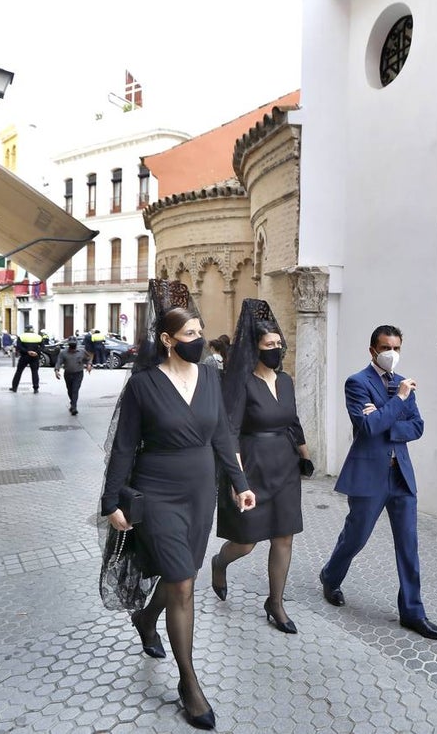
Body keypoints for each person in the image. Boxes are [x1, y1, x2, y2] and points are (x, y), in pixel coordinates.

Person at [101, 280, 256, 730]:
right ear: (168, 340)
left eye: (200, 333)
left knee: (180, 576)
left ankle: (147, 618)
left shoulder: (210, 378)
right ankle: (189, 684)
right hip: (157, 492)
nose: (199, 341)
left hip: (200, 493)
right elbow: (124, 448)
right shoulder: (143, 385)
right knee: (183, 583)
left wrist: (239, 483)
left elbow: (223, 435)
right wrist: (111, 501)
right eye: (190, 335)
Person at [319, 325, 437, 640]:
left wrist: (386, 419)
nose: (392, 353)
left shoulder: (404, 383)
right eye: (386, 347)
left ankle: (413, 612)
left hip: (400, 475)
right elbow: (367, 427)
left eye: (396, 348)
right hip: (369, 475)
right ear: (373, 350)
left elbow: (417, 427)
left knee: (408, 545)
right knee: (356, 537)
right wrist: (397, 402)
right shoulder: (357, 383)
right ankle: (330, 576)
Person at [211, 303, 313, 634]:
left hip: (285, 466)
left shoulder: (285, 381)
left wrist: (305, 455)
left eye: (278, 343)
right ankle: (219, 563)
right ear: (254, 348)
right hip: (252, 466)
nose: (276, 349)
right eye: (269, 344)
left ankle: (275, 603)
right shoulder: (241, 383)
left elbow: (293, 421)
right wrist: (238, 480)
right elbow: (230, 433)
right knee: (246, 543)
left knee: (284, 537)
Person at [55, 339, 92, 415]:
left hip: (78, 373)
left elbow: (88, 358)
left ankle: (74, 407)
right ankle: (72, 402)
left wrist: (89, 364)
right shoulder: (63, 353)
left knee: (75, 390)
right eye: (71, 346)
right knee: (70, 390)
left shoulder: (82, 351)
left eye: (74, 346)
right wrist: (56, 370)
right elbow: (59, 362)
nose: (72, 349)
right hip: (68, 373)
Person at [11, 325, 44, 393]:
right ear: (32, 330)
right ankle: (36, 388)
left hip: (24, 356)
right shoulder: (38, 337)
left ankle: (14, 387)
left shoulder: (21, 336)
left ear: (25, 329)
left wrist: (27, 351)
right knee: (35, 372)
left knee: (19, 372)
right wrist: (36, 352)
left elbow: (19, 347)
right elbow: (43, 347)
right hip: (35, 357)